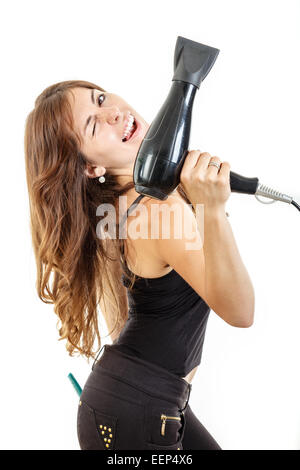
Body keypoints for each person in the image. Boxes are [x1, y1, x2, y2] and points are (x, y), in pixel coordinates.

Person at [24, 80, 255, 450]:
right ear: (90, 167)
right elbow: (242, 312)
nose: (113, 111)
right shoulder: (157, 210)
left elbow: (120, 318)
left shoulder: (113, 210)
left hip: (147, 402)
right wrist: (210, 208)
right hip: (138, 409)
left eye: (100, 98)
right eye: (93, 125)